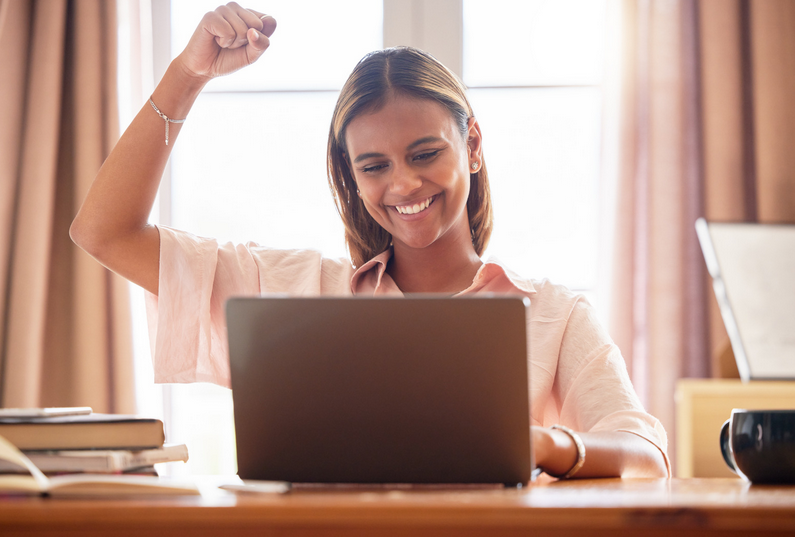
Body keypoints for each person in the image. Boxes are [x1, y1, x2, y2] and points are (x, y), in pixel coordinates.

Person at [71, 3, 670, 480]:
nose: (403, 183)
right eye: (374, 166)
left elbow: (645, 454)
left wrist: (540, 444)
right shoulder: (294, 292)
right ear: (352, 178)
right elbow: (103, 231)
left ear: (474, 146)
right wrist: (187, 75)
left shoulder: (556, 316)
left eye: (426, 153)